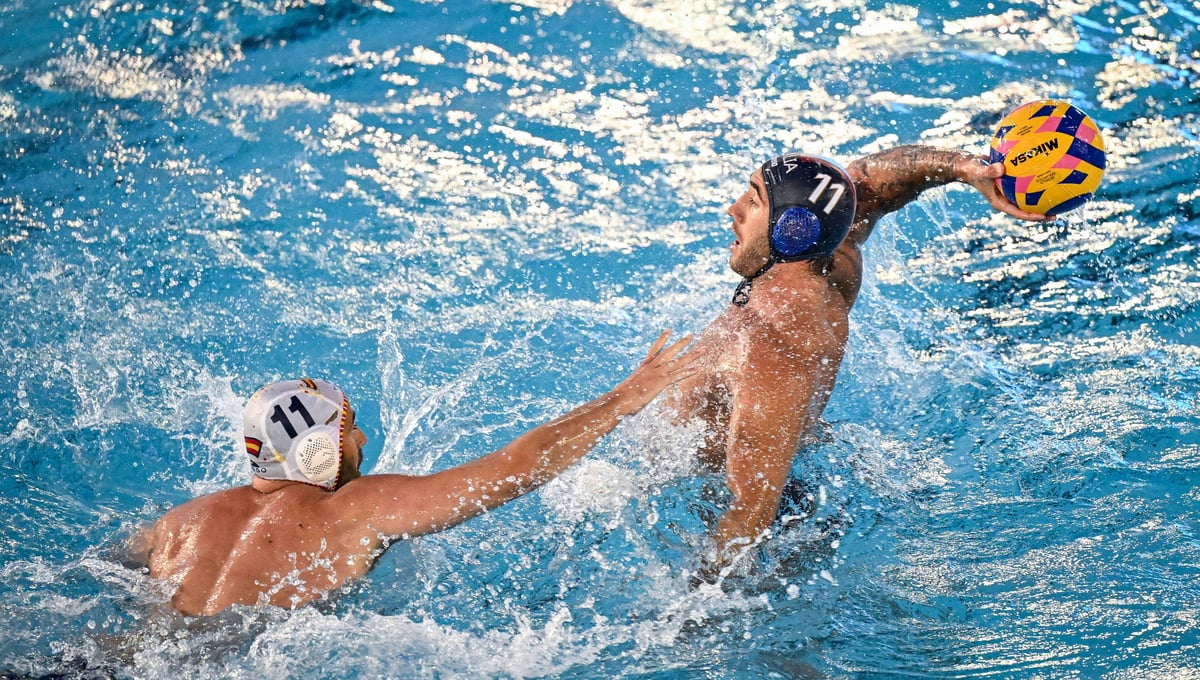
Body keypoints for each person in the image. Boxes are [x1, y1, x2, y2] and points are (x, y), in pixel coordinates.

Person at [663, 146, 1048, 580]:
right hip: (787, 476)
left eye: (752, 201)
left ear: (792, 230)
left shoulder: (775, 343)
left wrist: (689, 602)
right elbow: (866, 184)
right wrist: (962, 168)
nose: (732, 210)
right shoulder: (829, 260)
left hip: (735, 520)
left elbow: (750, 511)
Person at [131, 331, 695, 616]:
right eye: (349, 430)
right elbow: (514, 469)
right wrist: (623, 399)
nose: (362, 440)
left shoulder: (176, 523)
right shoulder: (356, 508)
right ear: (317, 451)